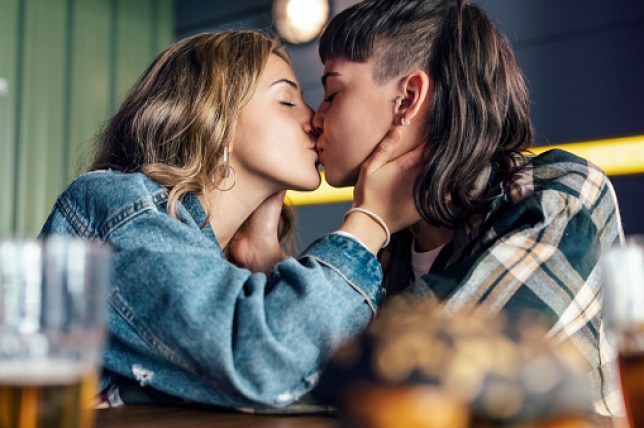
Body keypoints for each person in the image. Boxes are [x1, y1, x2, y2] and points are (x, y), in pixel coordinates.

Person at [39, 30, 422, 409]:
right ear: (212, 116)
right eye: (288, 101)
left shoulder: (220, 265)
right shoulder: (116, 207)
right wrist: (369, 222)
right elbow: (266, 363)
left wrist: (266, 260)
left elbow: (314, 377)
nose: (315, 119)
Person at [312, 0, 624, 415]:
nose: (316, 118)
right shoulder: (384, 244)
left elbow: (417, 374)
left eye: (332, 92)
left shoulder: (560, 196)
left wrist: (368, 223)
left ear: (407, 100)